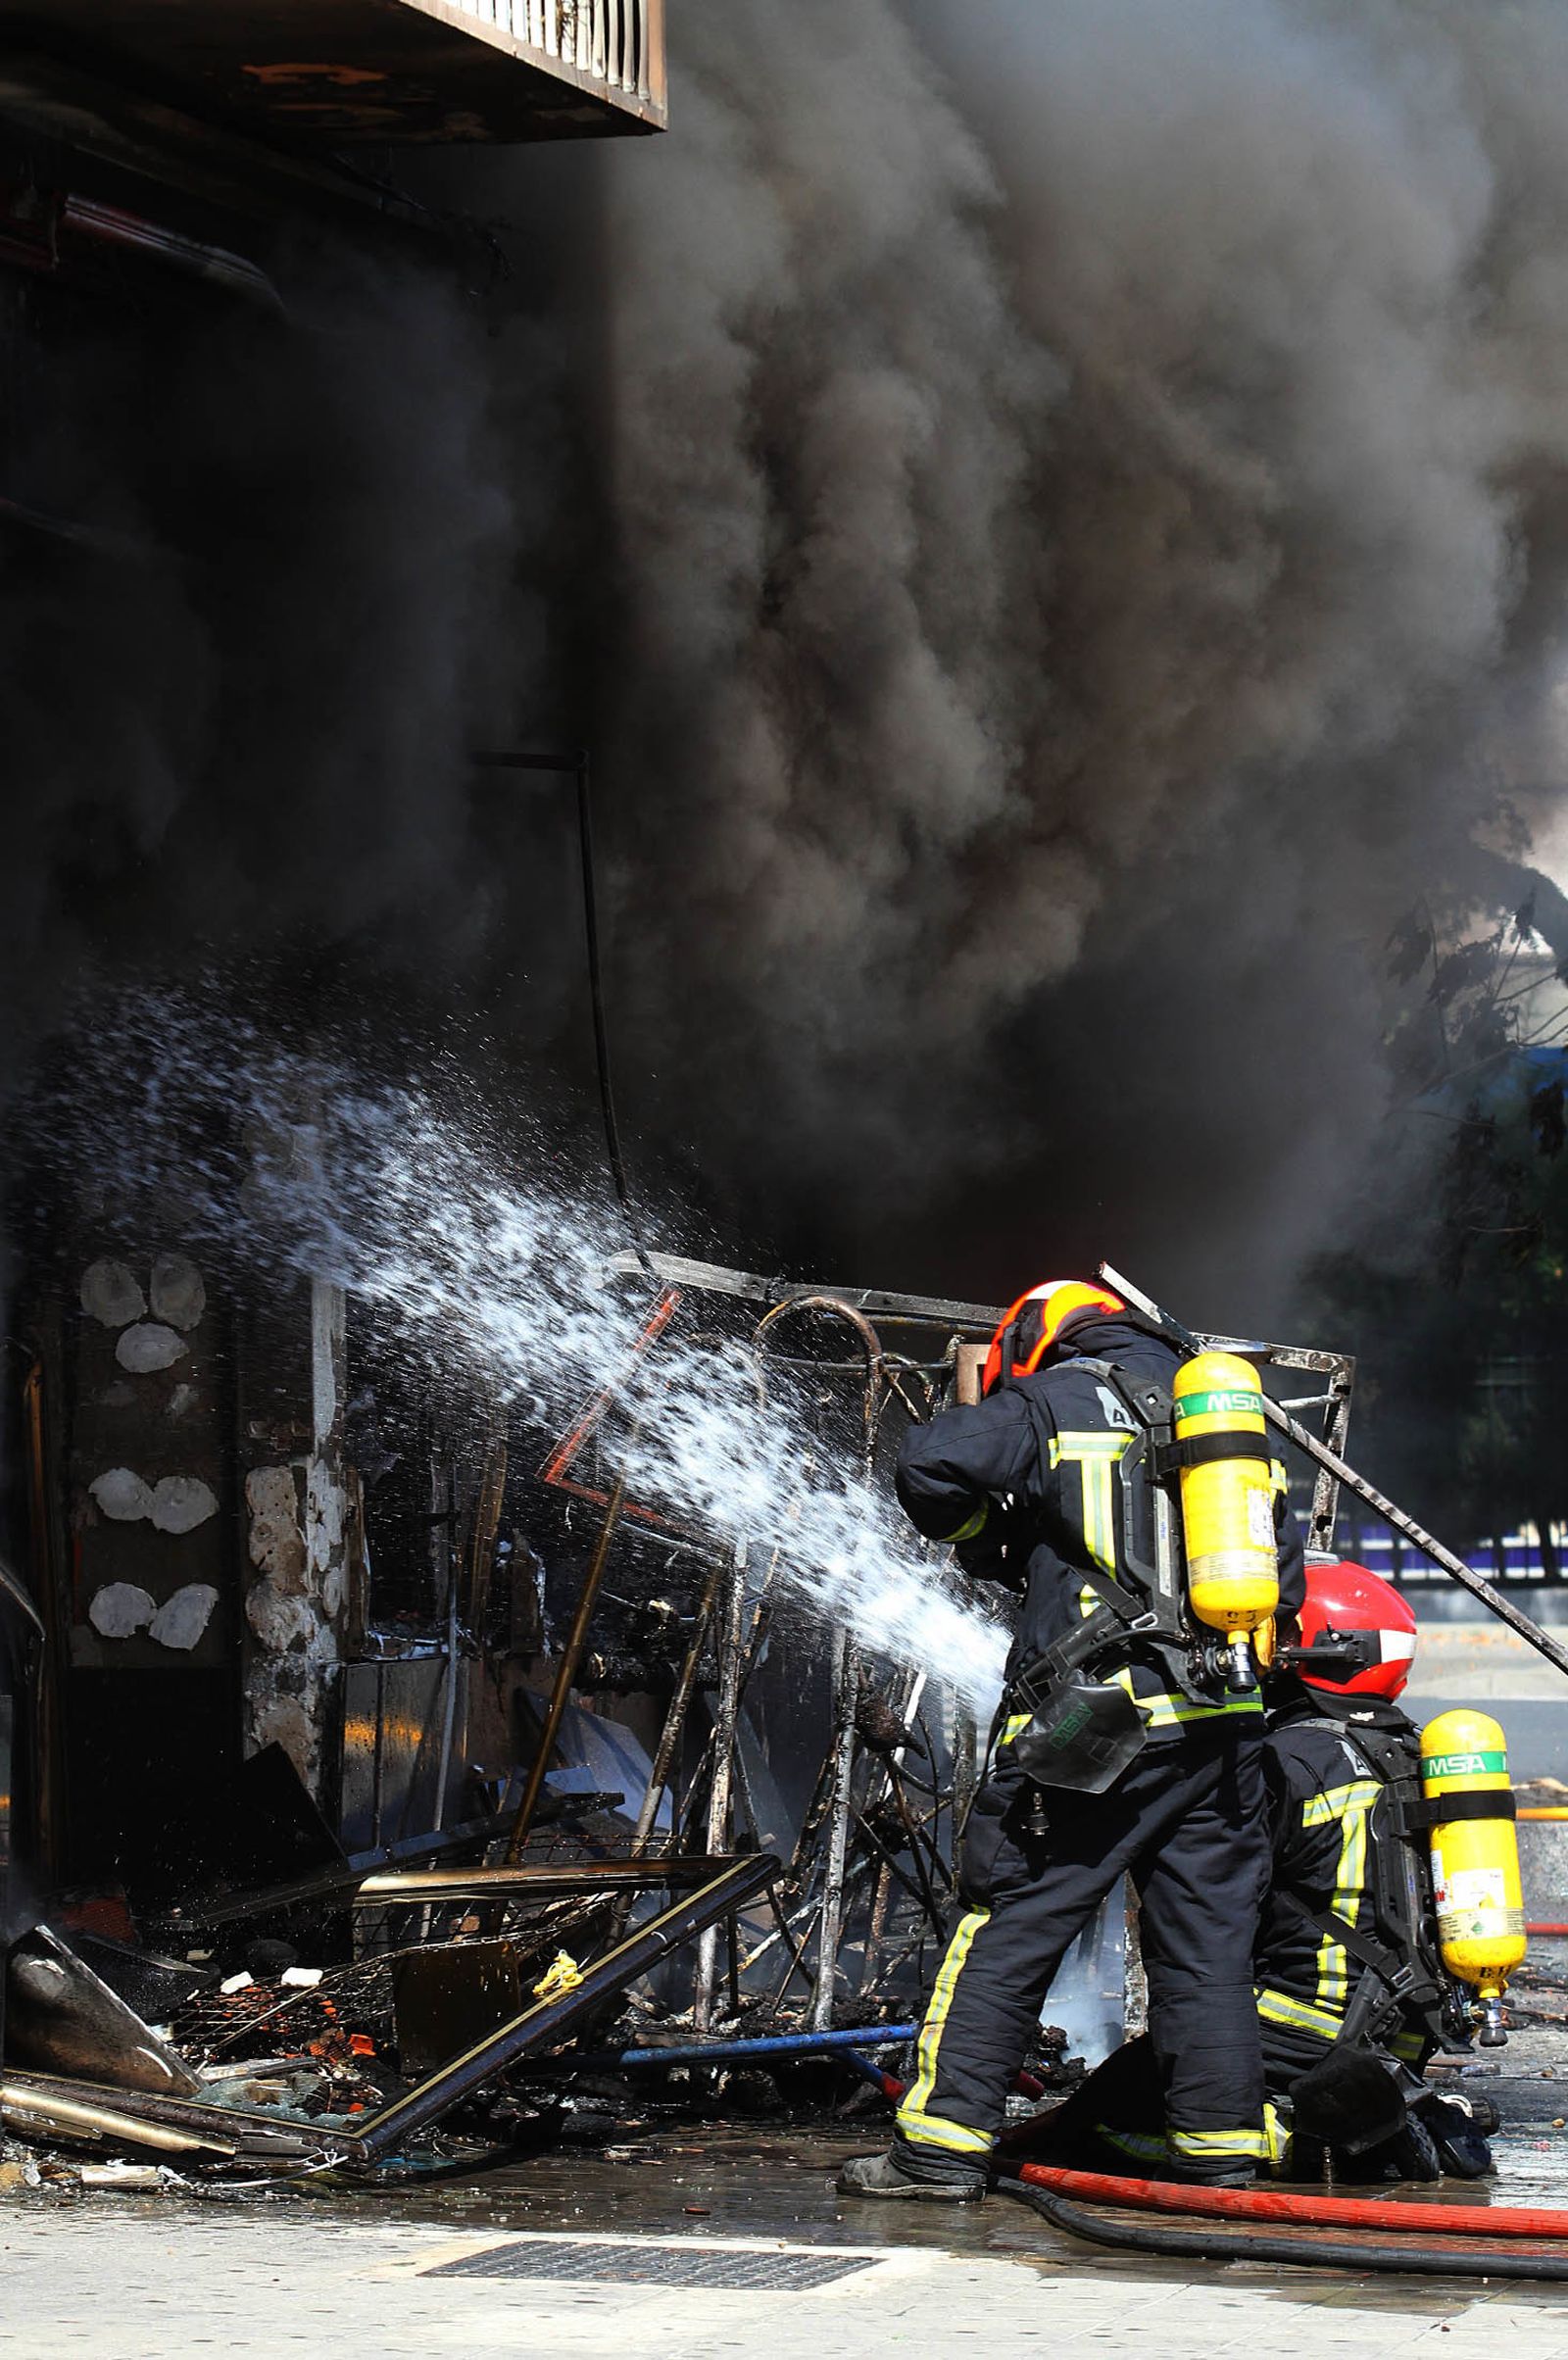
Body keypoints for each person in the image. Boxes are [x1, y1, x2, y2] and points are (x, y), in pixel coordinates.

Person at [840, 1278, 1304, 2201]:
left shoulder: (1055, 1399)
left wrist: (997, 1538)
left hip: (1101, 1716)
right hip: (1223, 1724)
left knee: (1013, 1917)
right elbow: (1279, 1590)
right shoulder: (1236, 1428)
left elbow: (929, 1467)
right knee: (1208, 1947)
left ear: (1035, 1341)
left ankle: (939, 2149)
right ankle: (1218, 2161)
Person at [1022, 1559, 1496, 2182]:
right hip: (1396, 2035)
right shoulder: (1415, 1758)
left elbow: (1195, 1889)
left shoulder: (1283, 1762)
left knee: (1096, 2124)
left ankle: (1310, 2146)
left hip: (1295, 2028)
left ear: (1306, 1651)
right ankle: (1378, 2121)